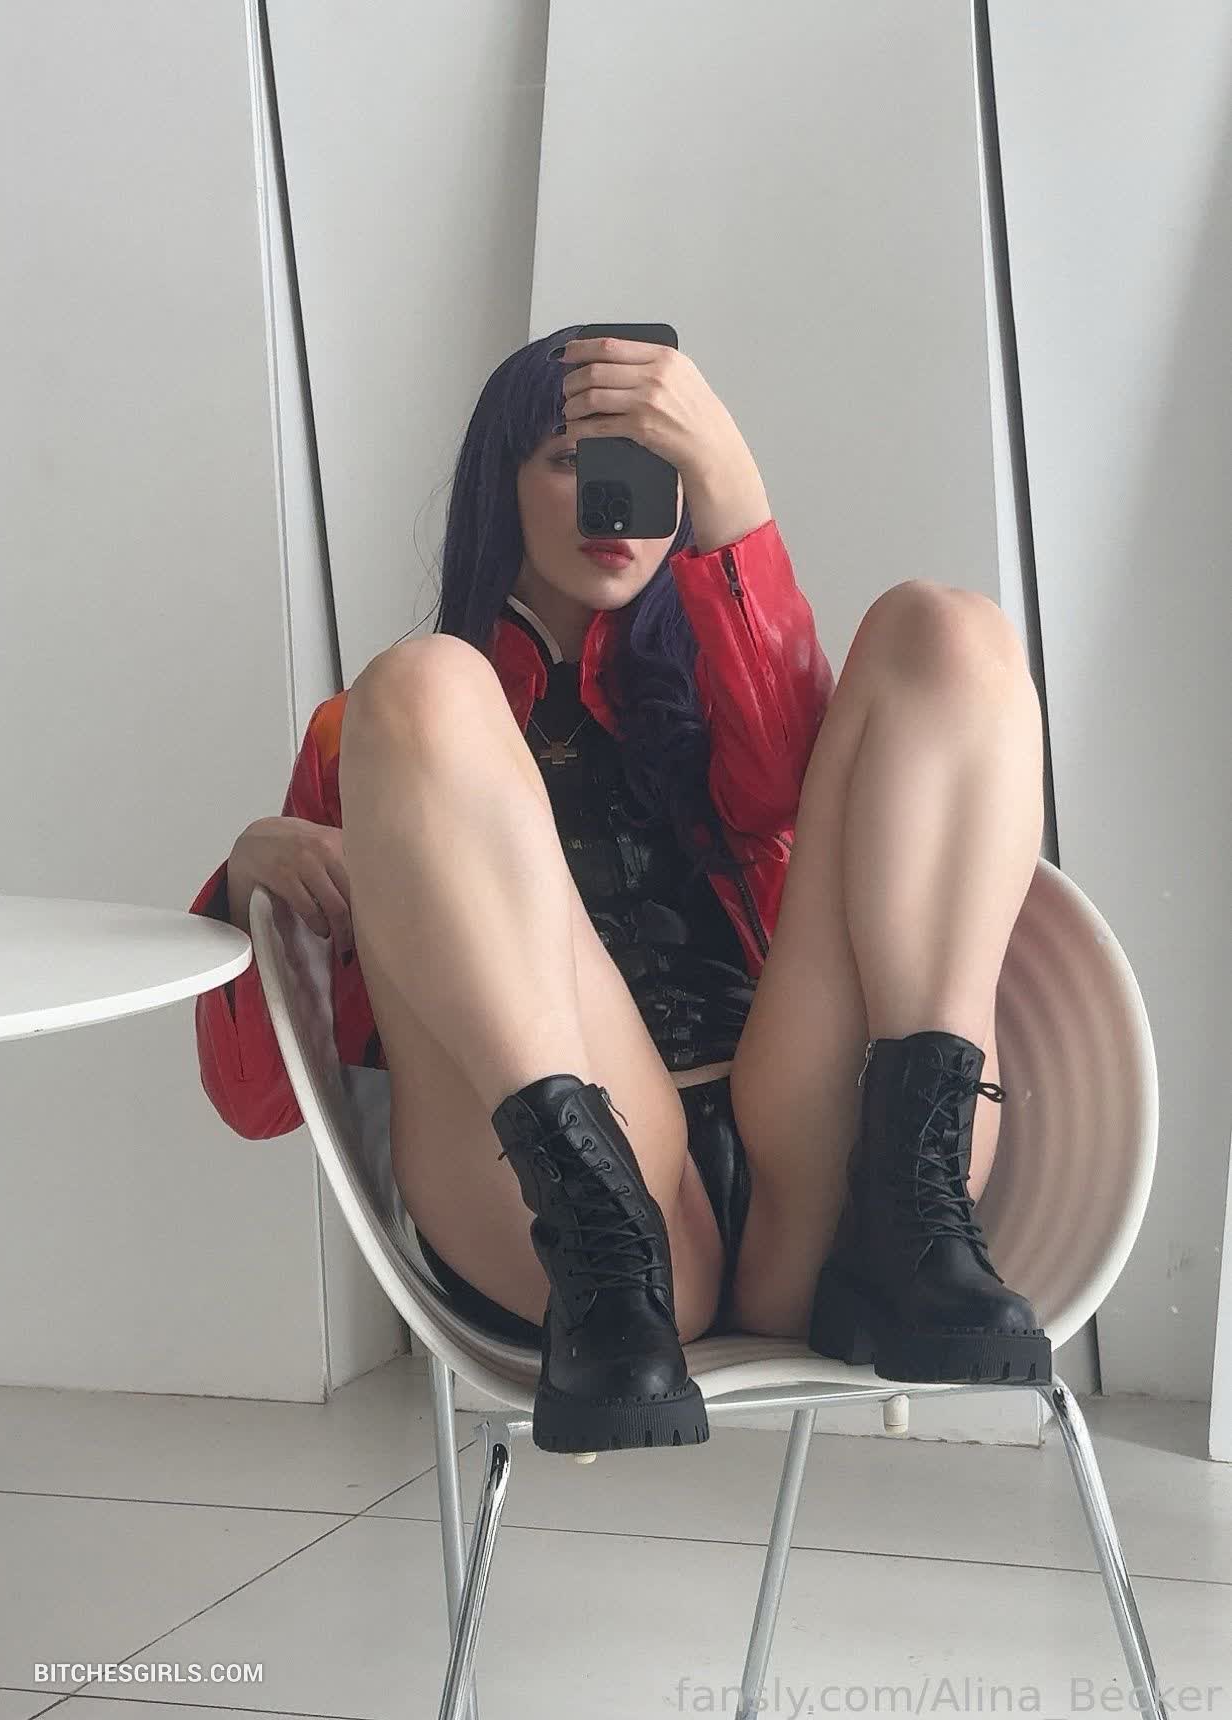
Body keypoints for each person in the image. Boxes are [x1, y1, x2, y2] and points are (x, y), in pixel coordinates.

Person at [190, 327, 1051, 1454]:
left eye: (652, 466)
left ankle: (918, 1215)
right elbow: (258, 1099)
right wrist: (247, 896)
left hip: (818, 1169)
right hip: (561, 1218)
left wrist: (732, 487)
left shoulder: (726, 680)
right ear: (499, 486)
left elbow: (798, 791)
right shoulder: (382, 738)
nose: (617, 506)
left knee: (950, 626)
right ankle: (602, 1249)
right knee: (426, 681)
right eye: (571, 460)